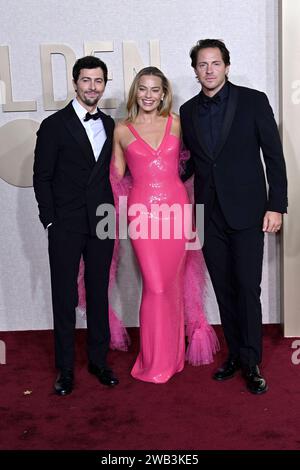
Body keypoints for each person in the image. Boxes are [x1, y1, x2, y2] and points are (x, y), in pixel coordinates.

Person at [180, 39, 288, 394]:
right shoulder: (187, 110)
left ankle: (251, 360)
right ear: (194, 70)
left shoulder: (253, 101)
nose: (209, 70)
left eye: (215, 63)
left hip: (248, 211)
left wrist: (277, 205)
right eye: (202, 65)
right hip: (209, 215)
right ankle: (235, 355)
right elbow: (195, 162)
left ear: (226, 66)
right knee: (225, 290)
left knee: (246, 287)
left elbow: (274, 156)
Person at [112, 66, 219, 384]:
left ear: (163, 93)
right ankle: (153, 360)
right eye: (142, 88)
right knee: (155, 285)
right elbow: (115, 178)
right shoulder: (121, 130)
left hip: (177, 211)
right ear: (135, 93)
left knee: (171, 285)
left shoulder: (178, 124)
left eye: (154, 89)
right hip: (142, 214)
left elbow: (201, 162)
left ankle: (172, 358)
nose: (148, 95)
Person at [33, 56, 119, 395]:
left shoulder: (111, 125)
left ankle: (99, 361)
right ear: (75, 82)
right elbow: (42, 177)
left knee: (99, 292)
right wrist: (50, 218)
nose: (92, 87)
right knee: (65, 295)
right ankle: (65, 369)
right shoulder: (54, 125)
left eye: (98, 81)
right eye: (86, 80)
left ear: (104, 84)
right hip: (66, 223)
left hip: (102, 220)